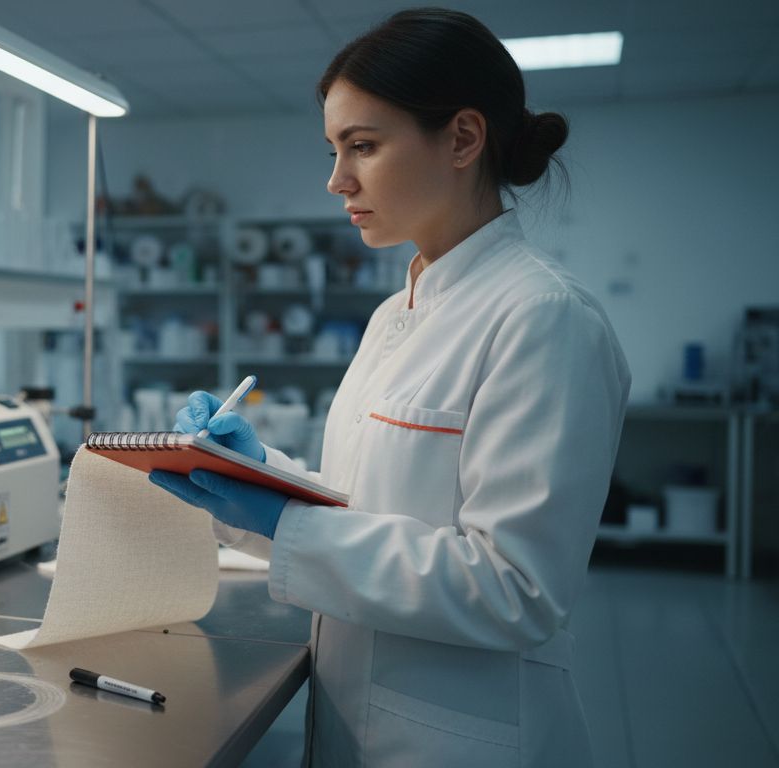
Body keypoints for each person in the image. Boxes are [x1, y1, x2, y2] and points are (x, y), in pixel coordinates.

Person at [149, 8, 630, 767]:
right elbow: (371, 508)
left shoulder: (545, 318)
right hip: (358, 717)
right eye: (335, 149)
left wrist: (284, 523)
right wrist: (255, 476)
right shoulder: (393, 315)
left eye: (362, 147)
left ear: (463, 139)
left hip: (462, 740)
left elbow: (517, 588)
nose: (336, 179)